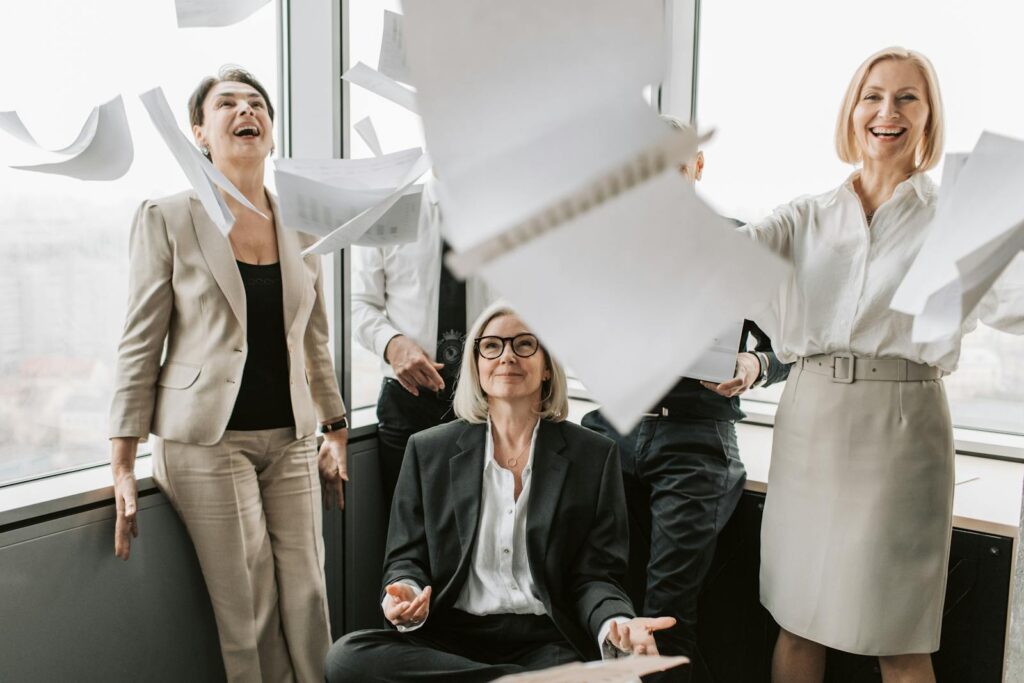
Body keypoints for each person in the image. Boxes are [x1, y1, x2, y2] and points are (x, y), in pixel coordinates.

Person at [744, 47, 1023, 683]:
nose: (886, 111)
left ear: (928, 118)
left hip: (904, 430)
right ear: (852, 110)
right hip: (809, 421)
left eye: (907, 98)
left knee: (899, 637)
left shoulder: (959, 219)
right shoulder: (804, 217)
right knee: (797, 621)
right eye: (873, 95)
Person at [108, 67, 348, 682]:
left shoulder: (301, 220)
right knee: (249, 610)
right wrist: (122, 463)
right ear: (201, 133)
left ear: (269, 133)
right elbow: (140, 342)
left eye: (258, 103)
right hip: (207, 444)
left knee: (310, 595)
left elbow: (313, 336)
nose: (248, 110)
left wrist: (336, 427)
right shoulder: (167, 216)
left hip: (291, 439)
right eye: (228, 104)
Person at [325, 302, 678, 682]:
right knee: (346, 658)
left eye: (524, 344)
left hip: (546, 640)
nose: (507, 355)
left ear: (546, 367)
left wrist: (616, 624)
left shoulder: (593, 455)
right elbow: (405, 559)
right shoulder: (428, 450)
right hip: (449, 637)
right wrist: (406, 595)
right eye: (491, 346)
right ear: (477, 366)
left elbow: (597, 576)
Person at [581, 117, 790, 682]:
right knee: (601, 603)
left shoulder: (739, 242)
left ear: (697, 167)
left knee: (667, 615)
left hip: (695, 437)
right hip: (611, 431)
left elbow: (793, 345)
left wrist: (754, 365)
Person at [351, 178, 495, 516]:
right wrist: (393, 344)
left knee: (481, 527)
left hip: (488, 398)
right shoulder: (388, 208)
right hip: (409, 399)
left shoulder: (504, 211)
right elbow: (357, 303)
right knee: (408, 529)